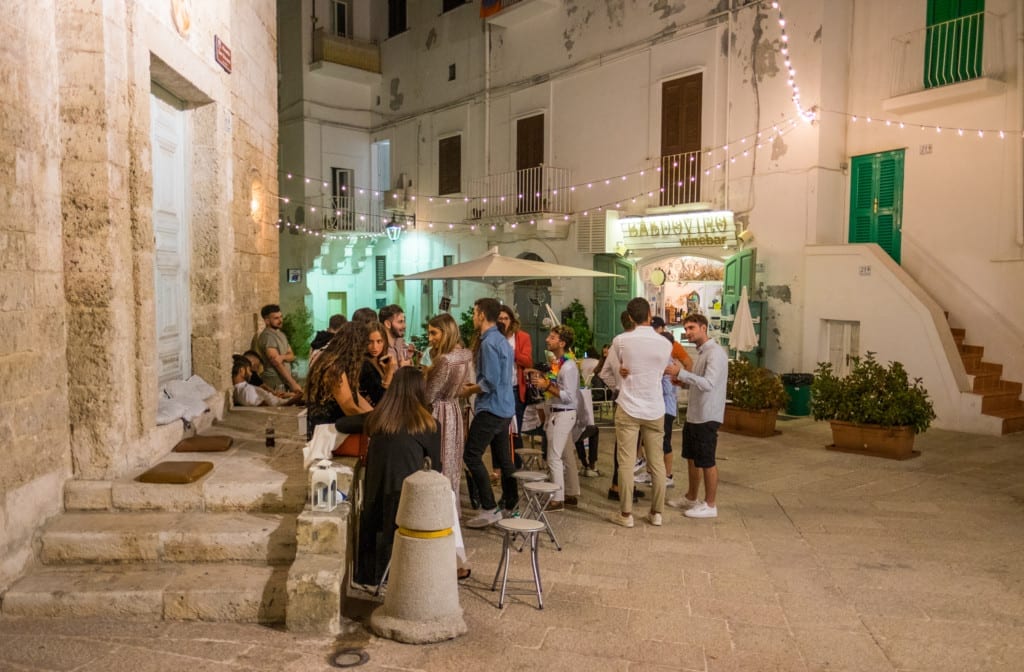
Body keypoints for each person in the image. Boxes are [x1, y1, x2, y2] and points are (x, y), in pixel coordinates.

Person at [338, 367, 442, 587]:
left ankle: (367, 577)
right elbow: (436, 468)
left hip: (375, 490)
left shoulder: (379, 419)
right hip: (407, 494)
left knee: (373, 522)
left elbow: (342, 424)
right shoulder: (428, 425)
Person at [599, 298, 671, 528]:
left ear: (629, 317)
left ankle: (626, 514)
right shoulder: (664, 343)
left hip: (629, 406)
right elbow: (659, 372)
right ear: (650, 314)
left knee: (626, 462)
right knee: (657, 463)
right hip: (655, 407)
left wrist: (620, 385)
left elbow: (605, 373)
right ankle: (656, 512)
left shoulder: (621, 341)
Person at [665, 313, 728, 519]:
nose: (687, 332)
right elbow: (699, 381)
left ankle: (710, 505)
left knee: (706, 460)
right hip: (695, 414)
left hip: (707, 415)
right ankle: (692, 497)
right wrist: (682, 382)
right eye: (686, 328)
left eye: (691, 328)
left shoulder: (715, 353)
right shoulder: (703, 353)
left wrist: (681, 373)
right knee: (692, 457)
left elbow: (709, 384)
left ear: (703, 327)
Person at [461, 297, 517, 528]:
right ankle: (510, 503)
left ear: (482, 315)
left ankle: (488, 506)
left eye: (475, 313)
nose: (474, 317)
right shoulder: (502, 340)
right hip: (504, 407)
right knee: (503, 459)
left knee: (471, 455)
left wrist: (466, 390)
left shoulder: (488, 343)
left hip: (492, 408)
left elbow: (490, 381)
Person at [528, 325, 581, 511]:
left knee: (554, 457)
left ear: (562, 343)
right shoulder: (558, 364)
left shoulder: (569, 367)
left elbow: (570, 397)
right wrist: (546, 382)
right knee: (566, 454)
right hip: (557, 412)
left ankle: (557, 498)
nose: (547, 340)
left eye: (552, 337)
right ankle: (572, 492)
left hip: (564, 414)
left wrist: (547, 386)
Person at [424, 313, 474, 496]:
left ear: (446, 332)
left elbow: (429, 395)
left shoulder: (444, 360)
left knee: (438, 459)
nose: (430, 338)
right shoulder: (465, 355)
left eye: (433, 333)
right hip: (454, 410)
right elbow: (464, 387)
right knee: (452, 461)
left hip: (438, 412)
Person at [304, 321, 373, 439]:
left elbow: (355, 397)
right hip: (327, 430)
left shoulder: (340, 364)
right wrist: (375, 424)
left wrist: (375, 416)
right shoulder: (333, 368)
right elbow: (348, 406)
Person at [497, 305, 533, 455]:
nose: (503, 321)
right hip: (498, 389)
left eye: (506, 318)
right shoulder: (493, 337)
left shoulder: (522, 337)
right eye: (500, 318)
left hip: (515, 387)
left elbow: (528, 361)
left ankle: (516, 464)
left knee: (515, 427)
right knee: (499, 430)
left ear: (511, 320)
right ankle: (499, 467)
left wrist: (511, 352)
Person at [253, 304, 303, 394]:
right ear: (267, 321)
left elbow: (292, 356)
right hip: (275, 384)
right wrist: (293, 383)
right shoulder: (268, 336)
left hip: (284, 382)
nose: (280, 320)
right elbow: (276, 363)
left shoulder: (281, 334)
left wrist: (282, 357)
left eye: (281, 317)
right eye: (276, 318)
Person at [359, 321, 397, 407]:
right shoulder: (364, 364)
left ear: (384, 342)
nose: (374, 347)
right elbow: (380, 400)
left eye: (379, 341)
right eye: (370, 342)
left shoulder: (382, 360)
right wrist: (389, 373)